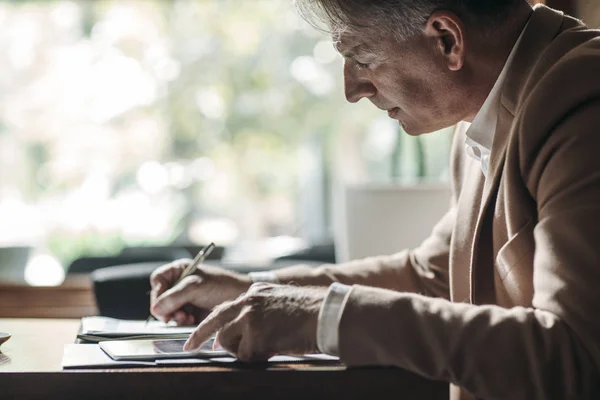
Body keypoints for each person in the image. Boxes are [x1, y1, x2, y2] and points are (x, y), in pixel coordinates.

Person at [149, 1, 600, 399]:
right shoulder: (481, 119)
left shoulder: (581, 96)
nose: (352, 90)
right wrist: (253, 292)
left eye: (360, 58)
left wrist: (325, 319)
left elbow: (576, 356)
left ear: (447, 40)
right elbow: (431, 276)